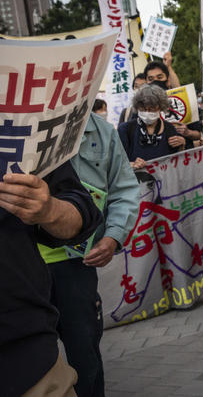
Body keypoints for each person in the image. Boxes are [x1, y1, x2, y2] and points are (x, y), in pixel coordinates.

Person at [38, 113, 140, 397]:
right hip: (22, 267)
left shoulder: (101, 130)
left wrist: (113, 237)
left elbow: (124, 189)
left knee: (84, 355)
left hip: (76, 264)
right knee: (28, 359)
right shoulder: (19, 126)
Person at [1, 162, 102, 397]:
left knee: (84, 349)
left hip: (25, 358)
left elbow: (81, 209)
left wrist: (49, 210)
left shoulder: (18, 130)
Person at [118, 85, 185, 168]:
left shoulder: (169, 129)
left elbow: (177, 162)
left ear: (161, 107)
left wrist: (181, 145)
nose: (147, 112)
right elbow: (117, 162)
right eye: (143, 108)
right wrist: (131, 164)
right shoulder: (125, 129)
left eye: (152, 109)